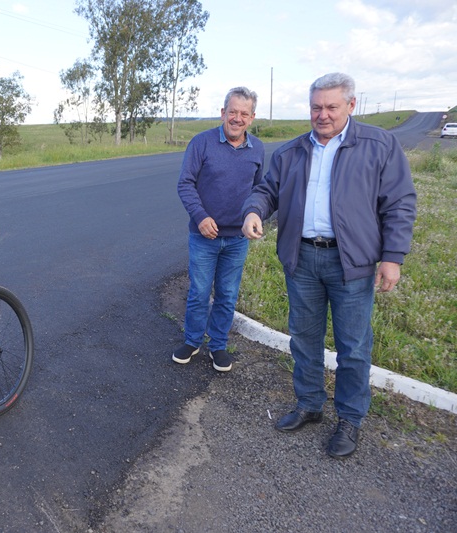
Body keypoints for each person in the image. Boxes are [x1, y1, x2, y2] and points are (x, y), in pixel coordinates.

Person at [241, 73, 416, 459]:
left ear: (351, 106)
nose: (322, 115)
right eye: (316, 107)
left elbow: (400, 202)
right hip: (301, 259)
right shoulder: (292, 151)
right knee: (304, 338)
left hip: (351, 262)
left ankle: (350, 419)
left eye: (331, 107)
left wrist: (392, 257)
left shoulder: (379, 145)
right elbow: (266, 190)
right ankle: (310, 403)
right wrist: (254, 211)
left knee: (353, 347)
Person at [173, 87, 265, 372]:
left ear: (252, 118)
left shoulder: (259, 148)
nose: (237, 118)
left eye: (244, 114)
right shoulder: (202, 143)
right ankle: (192, 340)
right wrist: (200, 217)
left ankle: (218, 345)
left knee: (227, 293)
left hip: (237, 239)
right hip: (204, 236)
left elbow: (261, 190)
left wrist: (256, 215)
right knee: (199, 292)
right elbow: (185, 183)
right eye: (232, 112)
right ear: (223, 112)